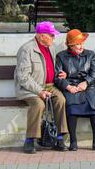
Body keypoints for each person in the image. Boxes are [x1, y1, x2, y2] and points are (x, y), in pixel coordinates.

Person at [14, 21, 68, 154]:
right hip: (30, 88)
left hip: (49, 86)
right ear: (41, 35)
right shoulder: (27, 49)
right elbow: (23, 77)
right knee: (39, 105)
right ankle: (30, 140)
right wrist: (39, 91)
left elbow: (50, 68)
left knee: (61, 100)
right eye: (51, 35)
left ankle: (59, 137)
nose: (54, 38)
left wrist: (62, 74)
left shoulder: (51, 47)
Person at [55, 29, 95, 151]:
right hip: (71, 86)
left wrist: (86, 82)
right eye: (78, 44)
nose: (81, 46)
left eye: (82, 43)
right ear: (70, 45)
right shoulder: (61, 56)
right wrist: (68, 86)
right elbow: (57, 76)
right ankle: (73, 141)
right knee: (71, 109)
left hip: (89, 86)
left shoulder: (90, 54)